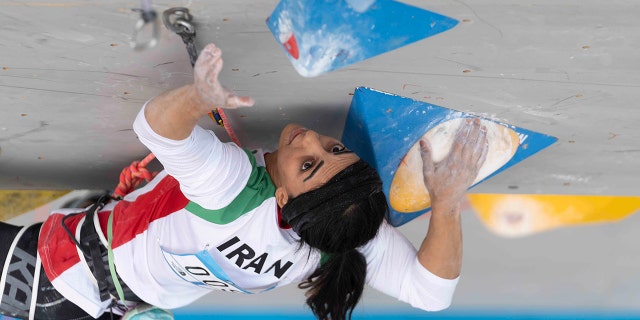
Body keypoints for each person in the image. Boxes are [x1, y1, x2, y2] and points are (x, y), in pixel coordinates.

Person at [0, 43, 488, 320]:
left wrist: (197, 97)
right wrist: (446, 200)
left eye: (308, 164)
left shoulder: (231, 186)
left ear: (281, 196)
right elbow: (431, 294)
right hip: (128, 301)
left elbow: (153, 127)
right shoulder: (335, 230)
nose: (311, 140)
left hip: (60, 279)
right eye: (334, 149)